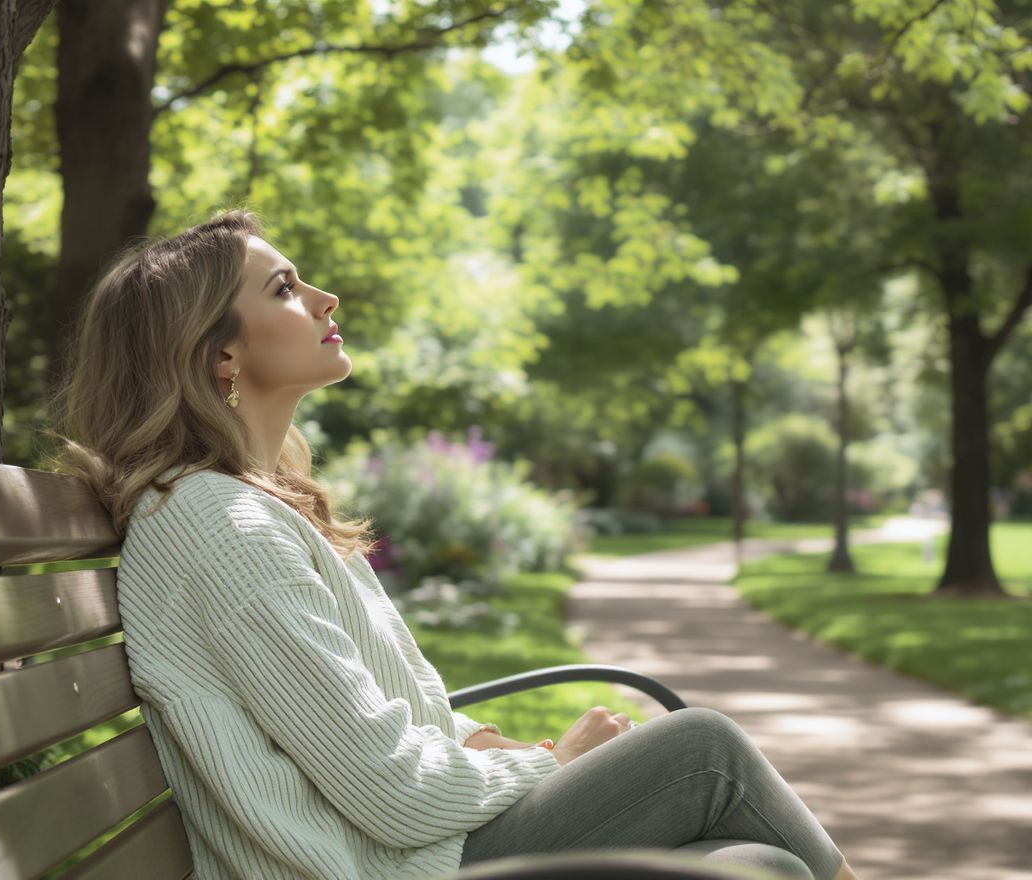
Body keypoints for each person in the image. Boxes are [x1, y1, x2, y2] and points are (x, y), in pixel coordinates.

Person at [45, 207, 860, 880]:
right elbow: (392, 792)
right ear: (221, 352)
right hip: (384, 866)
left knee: (761, 866)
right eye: (287, 289)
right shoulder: (220, 529)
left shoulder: (250, 508)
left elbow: (393, 723)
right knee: (703, 750)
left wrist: (493, 747)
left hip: (413, 852)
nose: (327, 298)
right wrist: (553, 760)